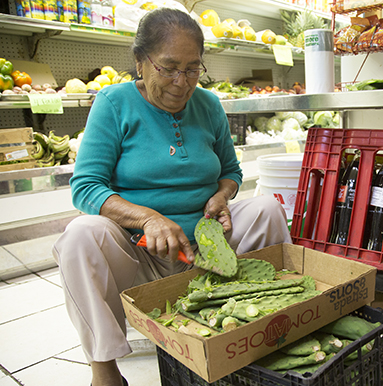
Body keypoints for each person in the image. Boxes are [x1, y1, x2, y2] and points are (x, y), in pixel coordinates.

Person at [52, 8, 292, 386]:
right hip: (140, 254)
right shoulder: (113, 104)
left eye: (193, 69)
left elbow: (231, 171)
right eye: (168, 68)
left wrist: (222, 197)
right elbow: (85, 187)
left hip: (209, 249)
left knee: (266, 208)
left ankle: (261, 326)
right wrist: (147, 217)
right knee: (81, 235)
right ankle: (105, 369)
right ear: (139, 62)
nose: (182, 82)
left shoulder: (210, 105)